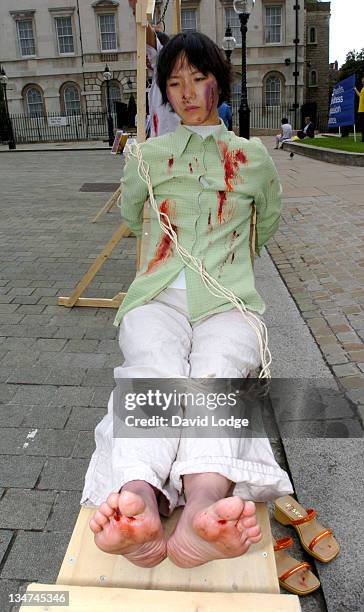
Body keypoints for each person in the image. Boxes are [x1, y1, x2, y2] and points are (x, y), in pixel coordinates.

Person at [81, 31, 293, 569]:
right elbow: (136, 217)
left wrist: (224, 264)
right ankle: (140, 500)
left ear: (218, 82)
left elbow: (262, 225)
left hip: (227, 299)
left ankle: (201, 504)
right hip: (156, 296)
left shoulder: (252, 158)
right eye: (174, 84)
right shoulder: (148, 156)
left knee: (217, 370)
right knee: (154, 365)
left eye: (198, 79)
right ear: (165, 93)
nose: (188, 92)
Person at [129, 0, 180, 137]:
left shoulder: (162, 63)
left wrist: (136, 10)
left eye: (148, 54)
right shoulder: (164, 73)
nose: (145, 58)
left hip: (167, 143)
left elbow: (147, 33)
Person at [354, 76, 364, 142]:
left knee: (363, 125)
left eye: (363, 79)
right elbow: (360, 96)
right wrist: (355, 89)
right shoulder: (363, 88)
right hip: (361, 110)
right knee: (362, 125)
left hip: (363, 110)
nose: (362, 79)